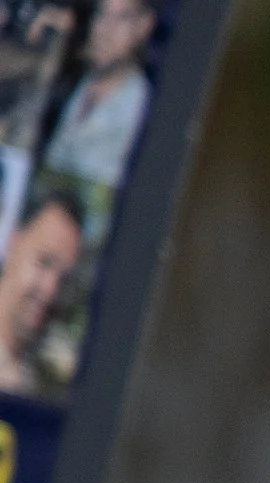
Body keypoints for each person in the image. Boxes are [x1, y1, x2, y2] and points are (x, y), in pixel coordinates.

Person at [39, 0, 151, 192]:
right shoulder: (70, 83)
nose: (105, 30)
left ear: (143, 26)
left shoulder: (142, 107)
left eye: (121, 18)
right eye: (101, 15)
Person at [0, 186, 77, 394]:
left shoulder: (40, 389)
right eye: (44, 263)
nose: (51, 290)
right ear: (13, 244)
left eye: (64, 279)